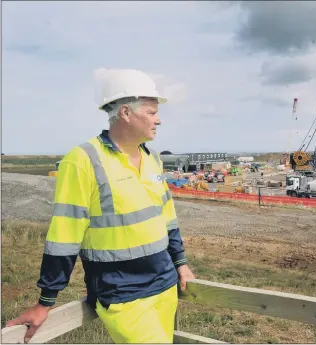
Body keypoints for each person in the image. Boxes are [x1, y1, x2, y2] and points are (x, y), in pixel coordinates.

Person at [6, 69, 195, 344]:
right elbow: (64, 235)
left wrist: (180, 263)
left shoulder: (153, 158)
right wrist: (46, 300)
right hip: (122, 294)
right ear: (126, 113)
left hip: (165, 287)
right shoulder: (83, 160)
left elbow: (167, 218)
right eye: (152, 113)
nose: (159, 120)